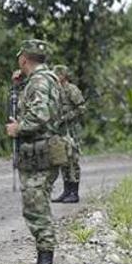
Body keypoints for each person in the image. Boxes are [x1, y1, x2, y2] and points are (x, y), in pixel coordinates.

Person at [5, 39, 62, 264]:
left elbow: (40, 115)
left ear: (23, 59)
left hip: (41, 152)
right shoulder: (41, 80)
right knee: (35, 208)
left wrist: (19, 128)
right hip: (38, 152)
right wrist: (18, 86)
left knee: (38, 210)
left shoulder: (39, 81)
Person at [51, 65, 86, 204]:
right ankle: (66, 191)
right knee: (63, 160)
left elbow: (82, 108)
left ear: (63, 75)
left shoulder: (72, 89)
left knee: (73, 160)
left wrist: (67, 117)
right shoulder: (55, 90)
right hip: (60, 131)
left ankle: (74, 192)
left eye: (57, 75)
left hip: (71, 131)